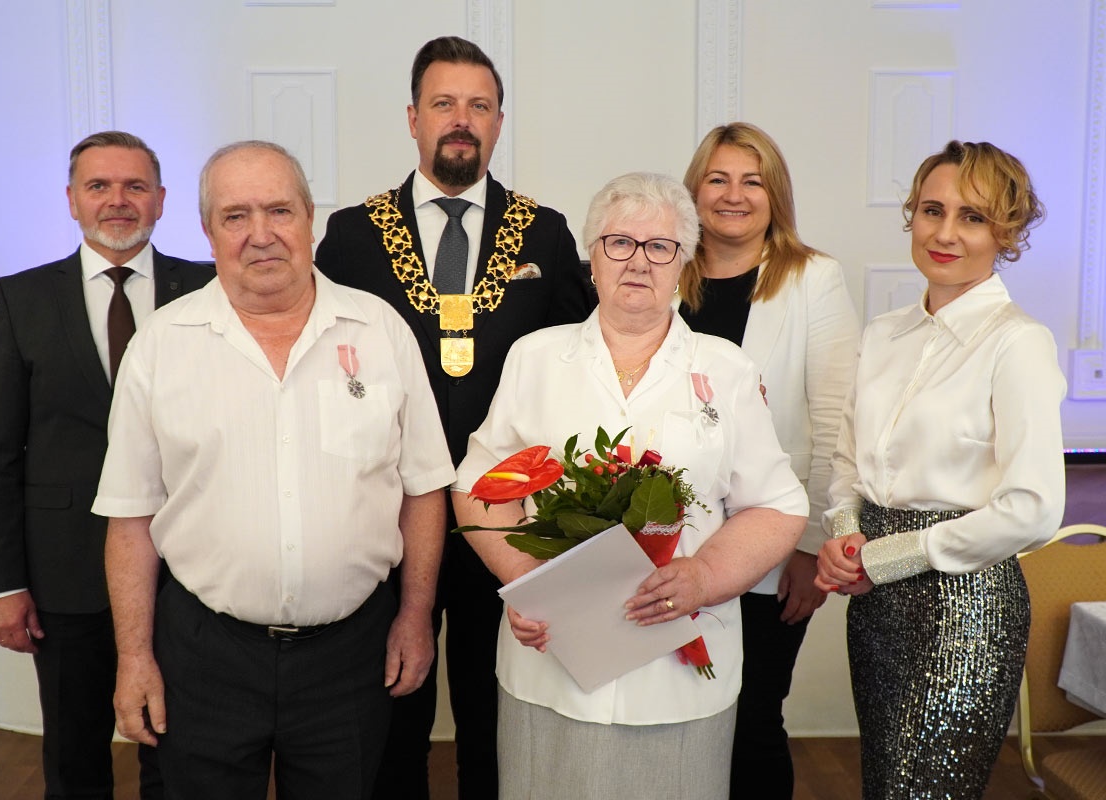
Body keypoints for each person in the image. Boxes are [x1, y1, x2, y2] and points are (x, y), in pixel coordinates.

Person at [92, 140, 455, 800]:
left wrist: (416, 615)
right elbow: (131, 518)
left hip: (352, 658)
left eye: (279, 210)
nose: (261, 235)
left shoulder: (380, 332)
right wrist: (133, 656)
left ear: (311, 218)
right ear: (207, 231)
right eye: (235, 216)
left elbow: (424, 489)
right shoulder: (161, 348)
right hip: (203, 656)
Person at [452, 172, 809, 800]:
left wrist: (702, 576)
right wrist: (527, 585)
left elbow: (777, 508)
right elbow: (480, 486)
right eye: (619, 243)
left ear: (684, 264)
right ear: (592, 257)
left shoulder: (724, 370)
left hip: (678, 671)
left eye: (660, 246)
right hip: (551, 663)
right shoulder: (535, 358)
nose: (638, 261)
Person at [315, 35, 594, 799]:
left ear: (500, 121)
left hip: (508, 514)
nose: (460, 120)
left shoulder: (545, 232)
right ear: (413, 118)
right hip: (384, 510)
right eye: (444, 104)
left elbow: (580, 363)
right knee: (388, 707)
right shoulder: (350, 235)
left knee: (494, 711)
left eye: (478, 105)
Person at [815, 140, 1066, 799]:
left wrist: (886, 557)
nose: (946, 233)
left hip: (967, 606)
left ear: (1007, 232)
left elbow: (1034, 508)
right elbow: (849, 468)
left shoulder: (1019, 342)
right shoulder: (881, 336)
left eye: (974, 217)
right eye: (932, 210)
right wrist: (844, 531)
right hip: (875, 606)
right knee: (885, 782)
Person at [0, 130, 214, 799]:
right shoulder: (22, 298)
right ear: (72, 200)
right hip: (64, 570)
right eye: (99, 186)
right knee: (75, 758)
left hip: (187, 568)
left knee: (182, 751)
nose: (118, 201)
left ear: (162, 200)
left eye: (135, 186)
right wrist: (2, 584)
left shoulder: (211, 289)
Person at [678, 122, 860, 798]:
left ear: (775, 193)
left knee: (752, 718)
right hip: (671, 545)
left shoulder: (813, 277)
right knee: (683, 716)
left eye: (752, 180)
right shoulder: (666, 274)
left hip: (771, 548)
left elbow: (837, 418)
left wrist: (814, 547)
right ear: (694, 190)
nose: (733, 195)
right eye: (718, 178)